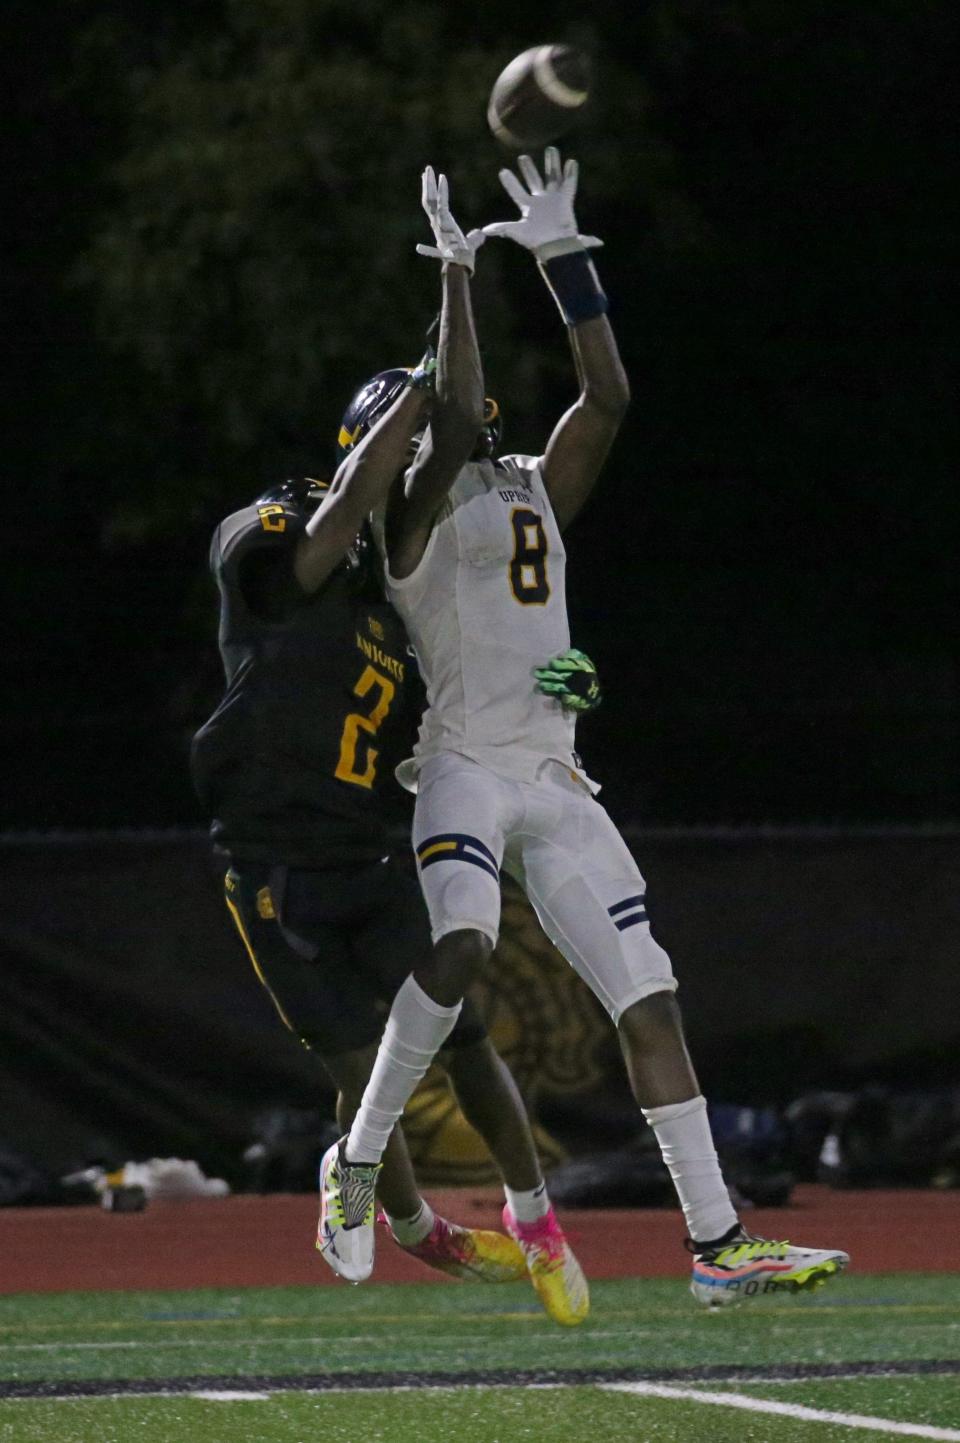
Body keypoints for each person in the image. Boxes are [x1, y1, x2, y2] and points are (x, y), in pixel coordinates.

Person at [319, 149, 849, 1309]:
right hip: (461, 763)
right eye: (394, 435)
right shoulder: (405, 516)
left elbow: (606, 397)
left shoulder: (528, 488)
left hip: (556, 773)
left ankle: (717, 1245)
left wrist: (565, 260)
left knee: (649, 998)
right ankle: (358, 1158)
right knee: (459, 945)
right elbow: (452, 408)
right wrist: (457, 278)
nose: (411, 443)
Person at [190, 197, 593, 1325]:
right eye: (402, 450)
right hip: (269, 859)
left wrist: (568, 678)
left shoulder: (399, 590)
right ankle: (409, 1225)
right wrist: (412, 397)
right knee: (363, 1061)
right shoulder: (273, 530)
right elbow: (346, 509)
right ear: (362, 445)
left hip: (366, 843)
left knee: (453, 1032)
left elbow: (491, 622)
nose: (424, 467)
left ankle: (535, 1215)